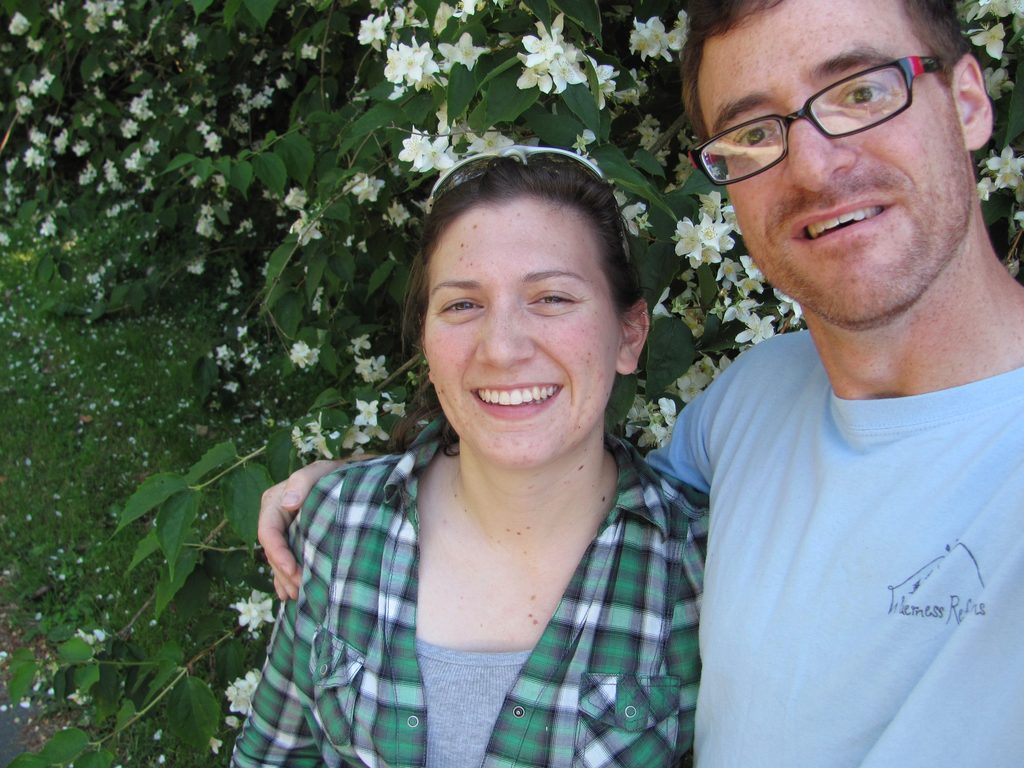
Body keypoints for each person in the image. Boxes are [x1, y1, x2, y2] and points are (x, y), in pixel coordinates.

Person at [260, 1, 1024, 766]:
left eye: (861, 91)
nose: (817, 167)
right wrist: (349, 502)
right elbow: (561, 492)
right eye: (756, 131)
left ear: (967, 99)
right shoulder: (751, 405)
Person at [232, 146, 706, 767]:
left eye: (552, 298)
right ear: (426, 339)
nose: (502, 348)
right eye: (462, 305)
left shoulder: (702, 569)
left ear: (629, 335)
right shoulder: (336, 524)